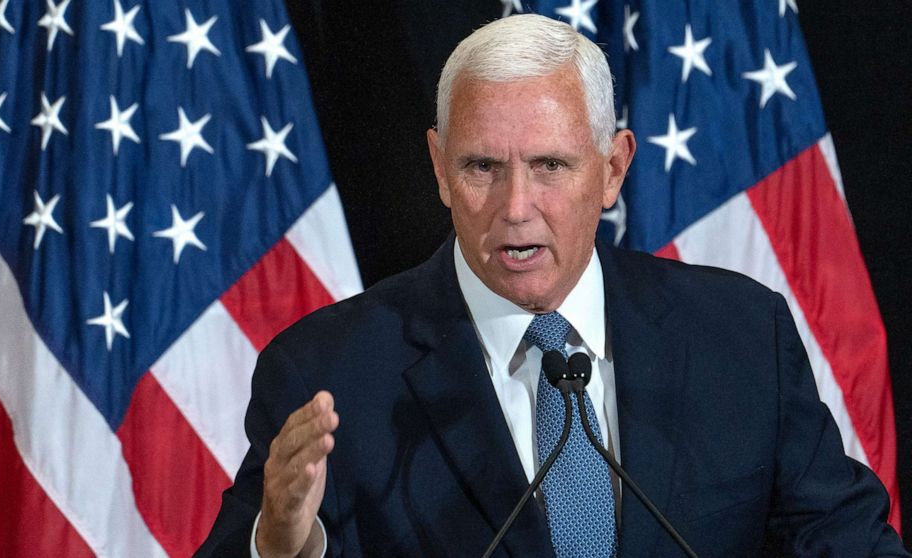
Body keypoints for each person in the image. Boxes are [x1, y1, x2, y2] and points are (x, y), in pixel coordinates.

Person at [197, 14, 907, 557]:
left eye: (551, 166)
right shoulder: (330, 372)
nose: (514, 208)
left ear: (613, 169)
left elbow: (846, 543)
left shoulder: (742, 336)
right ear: (440, 168)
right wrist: (280, 546)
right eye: (481, 167)